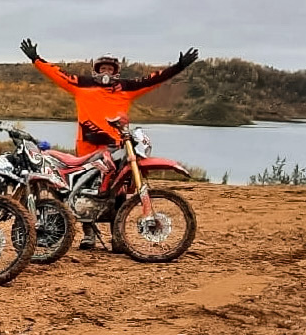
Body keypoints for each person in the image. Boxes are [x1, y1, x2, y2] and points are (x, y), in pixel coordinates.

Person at [20, 39, 198, 248]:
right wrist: (36, 59)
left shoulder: (126, 88)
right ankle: (89, 235)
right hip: (87, 146)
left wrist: (179, 67)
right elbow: (57, 74)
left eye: (110, 68)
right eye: (102, 68)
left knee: (118, 190)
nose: (106, 72)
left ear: (116, 71)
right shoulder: (81, 84)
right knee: (85, 189)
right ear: (96, 69)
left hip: (116, 147)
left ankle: (117, 236)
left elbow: (152, 80)